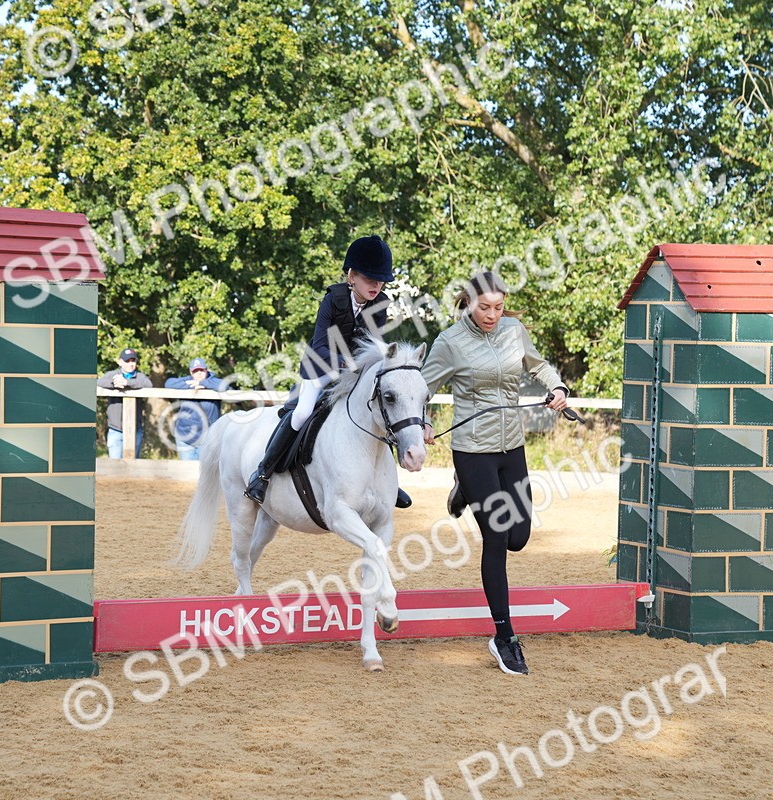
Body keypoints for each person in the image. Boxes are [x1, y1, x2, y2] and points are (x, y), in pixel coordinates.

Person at [420, 271, 570, 676]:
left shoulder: (514, 331)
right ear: (467, 303)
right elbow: (421, 388)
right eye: (484, 307)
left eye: (499, 307)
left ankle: (464, 492)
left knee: (519, 538)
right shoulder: (449, 342)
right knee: (497, 536)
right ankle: (504, 637)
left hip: (512, 446)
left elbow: (539, 367)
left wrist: (558, 389)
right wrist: (423, 421)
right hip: (472, 447)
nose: (492, 314)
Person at [245, 234, 413, 508]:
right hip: (320, 367)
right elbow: (321, 346)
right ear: (352, 275)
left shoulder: (380, 304)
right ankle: (262, 473)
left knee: (379, 410)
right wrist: (350, 364)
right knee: (301, 413)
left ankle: (387, 483)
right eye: (371, 279)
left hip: (354, 372)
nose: (377, 285)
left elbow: (372, 344)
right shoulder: (333, 299)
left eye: (380, 280)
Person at [97, 347, 153, 459]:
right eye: (127, 361)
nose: (130, 364)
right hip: (115, 429)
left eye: (133, 361)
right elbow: (99, 382)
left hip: (135, 430)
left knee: (133, 467)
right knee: (114, 467)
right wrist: (113, 383)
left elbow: (148, 384)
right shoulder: (113, 374)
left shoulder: (140, 376)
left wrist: (127, 383)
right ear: (120, 362)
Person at [164, 357, 223, 460]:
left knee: (205, 474)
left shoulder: (213, 381)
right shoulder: (188, 381)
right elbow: (169, 383)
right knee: (187, 473)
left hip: (208, 438)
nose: (199, 373)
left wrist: (203, 384)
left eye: (201, 370)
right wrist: (191, 386)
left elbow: (225, 385)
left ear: (206, 370)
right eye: (195, 371)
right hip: (185, 436)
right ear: (191, 372)